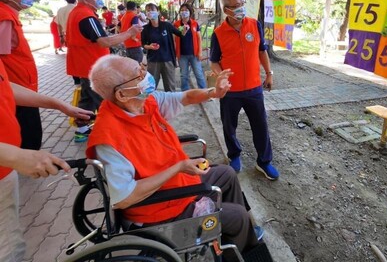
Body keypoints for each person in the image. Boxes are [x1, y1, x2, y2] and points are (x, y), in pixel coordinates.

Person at [86, 55, 261, 258]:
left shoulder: (144, 102)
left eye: (142, 67)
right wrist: (178, 168)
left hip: (175, 186)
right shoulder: (109, 138)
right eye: (138, 74)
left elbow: (185, 97)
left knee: (227, 173)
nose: (146, 74)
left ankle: (234, 237)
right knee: (238, 216)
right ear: (122, 94)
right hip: (157, 212)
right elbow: (124, 198)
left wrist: (214, 92)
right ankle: (236, 242)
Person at [0, 57, 92, 262]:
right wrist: (17, 156)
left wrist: (57, 104)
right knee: (8, 250)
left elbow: (4, 85)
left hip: (4, 170)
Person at [209, 0, 279, 180]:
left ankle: (264, 162)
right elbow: (214, 61)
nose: (241, 8)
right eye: (236, 5)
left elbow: (262, 51)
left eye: (242, 3)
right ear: (226, 10)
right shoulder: (218, 33)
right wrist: (220, 75)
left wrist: (269, 73)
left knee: (261, 126)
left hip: (254, 89)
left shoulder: (255, 25)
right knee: (229, 126)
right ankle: (234, 155)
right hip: (230, 90)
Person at [66, 0, 143, 142]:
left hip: (84, 66)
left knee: (87, 98)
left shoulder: (77, 13)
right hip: (94, 68)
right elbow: (104, 41)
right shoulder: (85, 15)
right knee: (106, 101)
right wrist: (129, 33)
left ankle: (82, 130)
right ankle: (115, 133)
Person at [0, 0, 45, 150]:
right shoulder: (4, 16)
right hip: (17, 86)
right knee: (28, 132)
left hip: (21, 84)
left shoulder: (8, 15)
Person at [141, 3, 182, 91]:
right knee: (150, 86)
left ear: (158, 12)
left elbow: (179, 33)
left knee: (170, 87)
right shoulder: (145, 29)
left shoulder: (166, 25)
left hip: (168, 60)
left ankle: (170, 103)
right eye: (148, 10)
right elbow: (143, 44)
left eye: (152, 10)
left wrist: (184, 29)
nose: (150, 12)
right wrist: (150, 46)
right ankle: (151, 103)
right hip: (153, 61)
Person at [174, 3, 207, 91]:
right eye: (182, 10)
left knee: (198, 73)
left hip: (194, 54)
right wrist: (175, 54)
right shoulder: (176, 24)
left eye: (186, 10)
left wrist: (200, 52)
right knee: (184, 74)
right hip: (182, 55)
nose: (184, 12)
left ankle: (204, 92)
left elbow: (199, 39)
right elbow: (174, 39)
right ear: (180, 12)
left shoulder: (195, 24)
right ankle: (185, 92)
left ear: (190, 12)